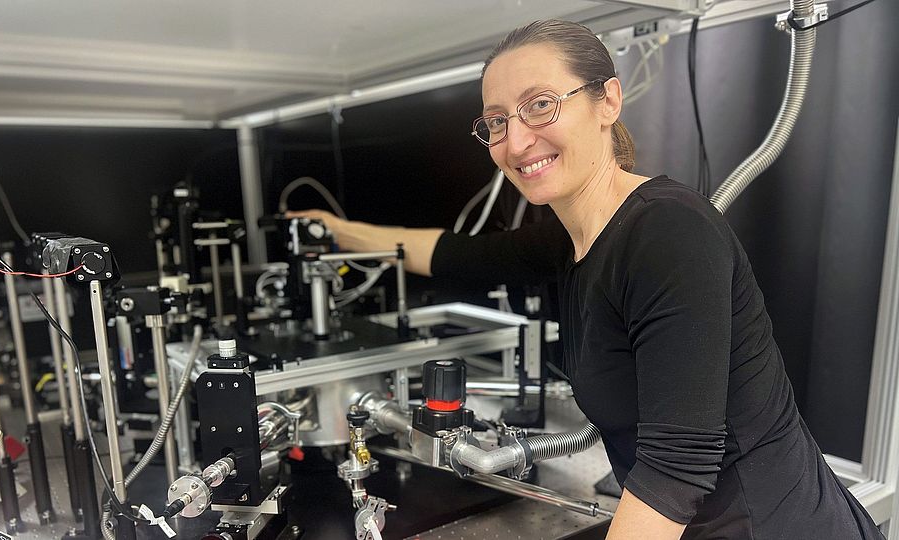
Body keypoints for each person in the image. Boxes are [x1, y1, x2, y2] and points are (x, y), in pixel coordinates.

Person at [290, 19, 882, 539]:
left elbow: (677, 466)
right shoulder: (569, 238)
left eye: (540, 105)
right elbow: (452, 255)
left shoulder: (668, 232)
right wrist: (335, 229)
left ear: (608, 101)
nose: (516, 140)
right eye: (496, 121)